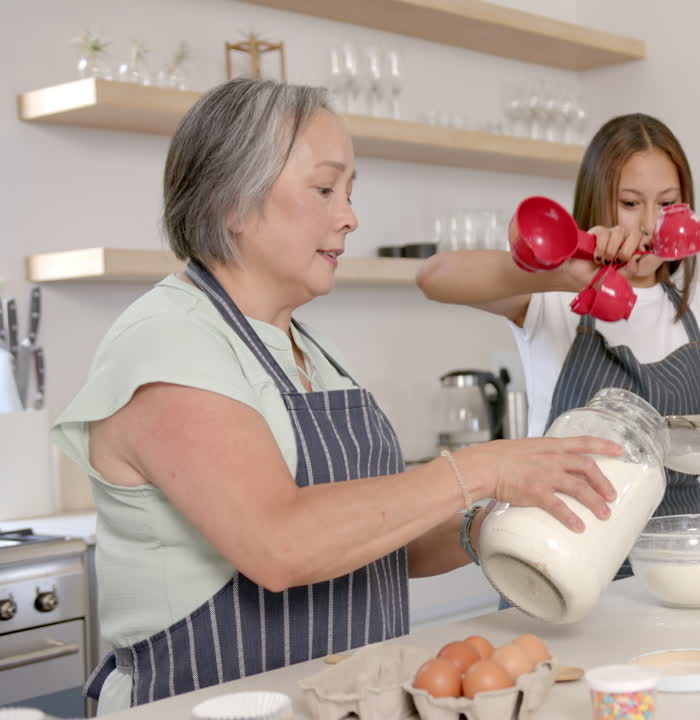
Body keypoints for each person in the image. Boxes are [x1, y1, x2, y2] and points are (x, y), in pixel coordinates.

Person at [50, 78, 620, 713]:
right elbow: (280, 543)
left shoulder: (305, 349)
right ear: (230, 202)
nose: (349, 216)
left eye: (350, 194)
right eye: (324, 189)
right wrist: (482, 468)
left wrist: (486, 524)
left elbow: (376, 538)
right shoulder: (166, 344)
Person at [417, 113, 700, 579]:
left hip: (674, 576)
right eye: (629, 203)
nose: (647, 225)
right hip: (554, 565)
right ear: (597, 202)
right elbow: (434, 278)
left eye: (666, 204)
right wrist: (564, 271)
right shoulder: (553, 300)